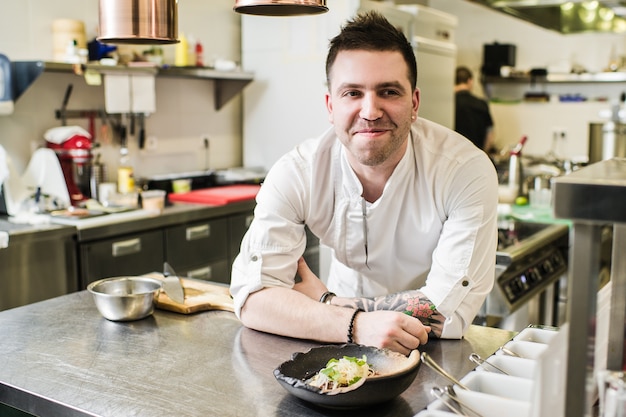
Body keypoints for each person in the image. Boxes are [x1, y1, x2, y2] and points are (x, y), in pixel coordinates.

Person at [230, 12, 498, 356]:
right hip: (336, 340)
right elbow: (253, 298)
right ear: (330, 105)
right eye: (352, 93)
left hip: (428, 349)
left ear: (414, 103)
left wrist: (328, 303)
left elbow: (446, 311)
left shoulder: (465, 170)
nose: (370, 111)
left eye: (388, 91)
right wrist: (354, 325)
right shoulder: (298, 172)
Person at [454, 66, 495, 152]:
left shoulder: (449, 104)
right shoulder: (481, 104)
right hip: (475, 155)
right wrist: (484, 153)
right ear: (470, 81)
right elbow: (490, 134)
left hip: (453, 156)